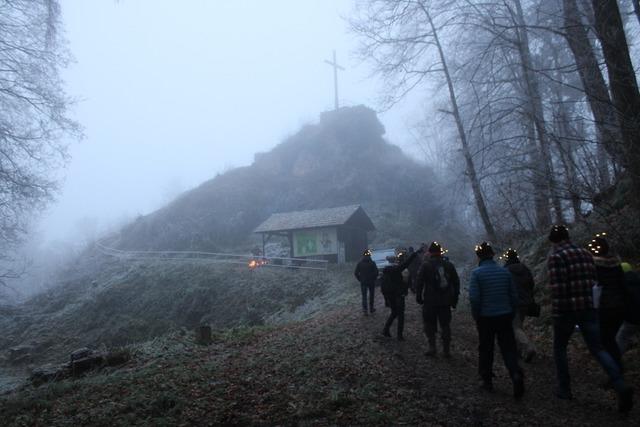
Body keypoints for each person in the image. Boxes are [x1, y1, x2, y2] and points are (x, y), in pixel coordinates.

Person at [547, 225, 633, 412]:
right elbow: (595, 281)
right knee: (598, 348)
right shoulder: (586, 254)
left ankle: (564, 389)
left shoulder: (556, 257)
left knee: (560, 348)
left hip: (566, 310)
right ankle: (620, 384)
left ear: (553, 240)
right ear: (568, 236)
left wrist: (557, 313)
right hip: (589, 308)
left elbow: (557, 288)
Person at [468, 242, 524, 398]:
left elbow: (474, 298)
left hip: (486, 318)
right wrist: (512, 312)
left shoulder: (476, 274)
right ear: (492, 255)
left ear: (479, 257)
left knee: (486, 348)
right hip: (505, 316)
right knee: (508, 348)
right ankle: (515, 374)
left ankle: (486, 380)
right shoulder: (504, 272)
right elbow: (513, 296)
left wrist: (476, 315)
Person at [586, 234, 626, 372]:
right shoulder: (617, 264)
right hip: (620, 306)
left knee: (605, 341)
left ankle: (616, 370)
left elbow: (591, 286)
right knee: (611, 339)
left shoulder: (594, 266)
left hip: (604, 307)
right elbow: (623, 284)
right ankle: (617, 366)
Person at [415, 241, 460, 358]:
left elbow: (419, 282)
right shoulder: (449, 265)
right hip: (445, 301)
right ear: (440, 252)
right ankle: (446, 350)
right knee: (445, 325)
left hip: (430, 301)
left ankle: (432, 347)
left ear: (430, 252)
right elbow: (456, 282)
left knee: (429, 324)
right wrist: (454, 299)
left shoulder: (425, 265)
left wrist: (418, 296)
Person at [503, 248, 537, 362]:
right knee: (518, 326)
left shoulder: (506, 270)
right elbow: (532, 284)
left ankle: (528, 347)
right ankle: (517, 350)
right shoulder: (525, 269)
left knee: (515, 327)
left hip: (513, 302)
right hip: (526, 303)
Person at [381, 248, 422, 341]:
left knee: (394, 312)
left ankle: (385, 329)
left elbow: (383, 287)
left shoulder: (385, 272)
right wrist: (415, 253)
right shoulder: (397, 269)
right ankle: (399, 335)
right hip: (398, 295)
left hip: (390, 296)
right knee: (401, 315)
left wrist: (386, 299)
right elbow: (407, 263)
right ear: (395, 260)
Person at [617, 262, 640, 354]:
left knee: (621, 337)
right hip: (634, 317)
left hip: (632, 318)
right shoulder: (637, 280)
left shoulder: (622, 285)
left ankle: (616, 359)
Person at [354, 249, 379, 315]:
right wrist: (374, 278)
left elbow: (356, 273)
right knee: (371, 295)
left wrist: (360, 279)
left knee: (364, 296)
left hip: (363, 282)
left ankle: (365, 310)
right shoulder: (372, 263)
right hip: (371, 282)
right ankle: (371, 309)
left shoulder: (360, 263)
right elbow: (376, 272)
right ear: (370, 255)